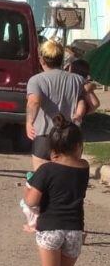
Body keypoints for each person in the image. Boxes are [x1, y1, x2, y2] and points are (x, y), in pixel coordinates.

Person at [23, 115, 90, 266]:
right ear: (79, 146)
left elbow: (32, 201)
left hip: (50, 229)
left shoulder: (46, 170)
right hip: (74, 230)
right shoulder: (84, 168)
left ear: (53, 147)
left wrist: (28, 187)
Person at [26, 39, 85, 171]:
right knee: (68, 179)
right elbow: (89, 102)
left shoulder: (36, 80)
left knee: (40, 179)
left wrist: (29, 122)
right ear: (61, 59)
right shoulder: (77, 80)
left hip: (44, 135)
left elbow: (34, 102)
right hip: (69, 136)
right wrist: (79, 114)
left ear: (42, 60)